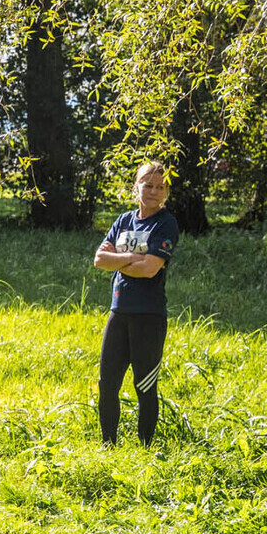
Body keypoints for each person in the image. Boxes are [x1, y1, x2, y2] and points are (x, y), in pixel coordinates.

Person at [93, 161, 178, 447]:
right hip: (119, 312)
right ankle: (108, 445)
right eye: (148, 185)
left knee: (144, 386)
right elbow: (99, 260)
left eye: (160, 187)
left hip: (148, 316)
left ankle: (146, 448)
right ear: (136, 186)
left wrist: (117, 259)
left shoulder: (165, 223)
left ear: (166, 192)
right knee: (107, 384)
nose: (153, 191)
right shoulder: (124, 221)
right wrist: (131, 258)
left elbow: (149, 269)